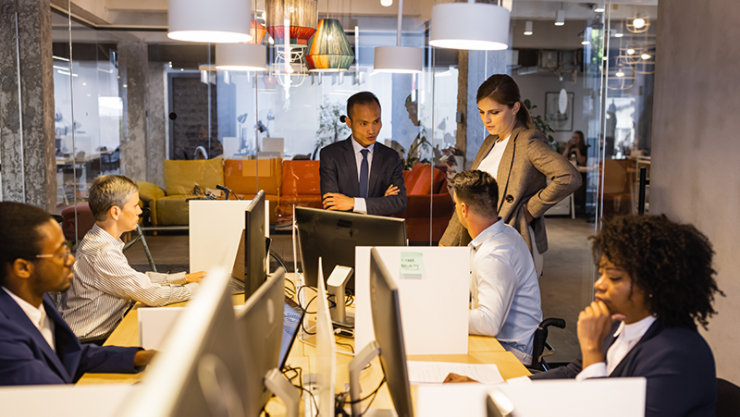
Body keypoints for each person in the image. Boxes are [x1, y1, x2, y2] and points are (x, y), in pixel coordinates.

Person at [531, 215, 721, 416]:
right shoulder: (618, 323)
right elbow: (573, 373)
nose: (599, 284)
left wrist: (592, 351)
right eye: (601, 273)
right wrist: (506, 387)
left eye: (614, 277)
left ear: (652, 284)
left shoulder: (679, 355)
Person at [440, 74, 581, 276]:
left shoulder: (527, 142)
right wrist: (447, 242)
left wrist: (530, 209)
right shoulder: (489, 143)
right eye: (482, 112)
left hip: (511, 239)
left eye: (494, 112)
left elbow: (569, 177)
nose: (486, 119)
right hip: (481, 240)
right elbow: (467, 196)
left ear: (515, 108)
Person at [0, 202, 155, 385]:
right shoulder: (4, 335)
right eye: (60, 254)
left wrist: (143, 357)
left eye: (68, 249)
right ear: (23, 268)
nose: (71, 259)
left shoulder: (37, 298)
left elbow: (71, 355)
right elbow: (52, 397)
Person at [59, 175, 204, 342]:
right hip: (89, 341)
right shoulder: (102, 253)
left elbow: (136, 280)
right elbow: (152, 295)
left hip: (97, 333)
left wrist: (185, 278)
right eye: (135, 206)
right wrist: (198, 289)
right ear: (115, 212)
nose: (140, 211)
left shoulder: (101, 240)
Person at [450, 170, 542, 364]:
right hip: (503, 341)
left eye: (456, 205)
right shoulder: (504, 233)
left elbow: (489, 323)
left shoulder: (493, 255)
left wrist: (441, 314)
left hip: (510, 351)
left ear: (464, 209)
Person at [319, 91, 407, 216]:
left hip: (379, 232)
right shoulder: (331, 155)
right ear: (349, 123)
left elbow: (399, 203)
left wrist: (352, 203)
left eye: (376, 121)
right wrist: (381, 202)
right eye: (364, 124)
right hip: (343, 232)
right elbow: (332, 204)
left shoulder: (390, 157)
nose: (372, 130)